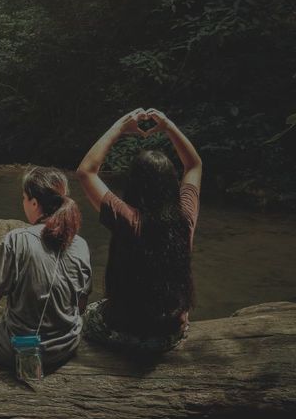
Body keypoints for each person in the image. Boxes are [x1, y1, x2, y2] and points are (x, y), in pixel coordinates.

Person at [76, 108, 202, 352]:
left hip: (125, 331)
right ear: (171, 183)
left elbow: (86, 171)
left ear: (133, 183)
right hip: (169, 333)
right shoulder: (185, 219)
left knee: (90, 313)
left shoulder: (127, 218)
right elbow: (194, 165)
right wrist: (168, 126)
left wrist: (120, 127)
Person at [0, 167, 92, 373]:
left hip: (20, 349)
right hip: (67, 346)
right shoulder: (81, 244)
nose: (23, 203)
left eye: (24, 198)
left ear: (34, 203)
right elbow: (80, 306)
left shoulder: (18, 239)